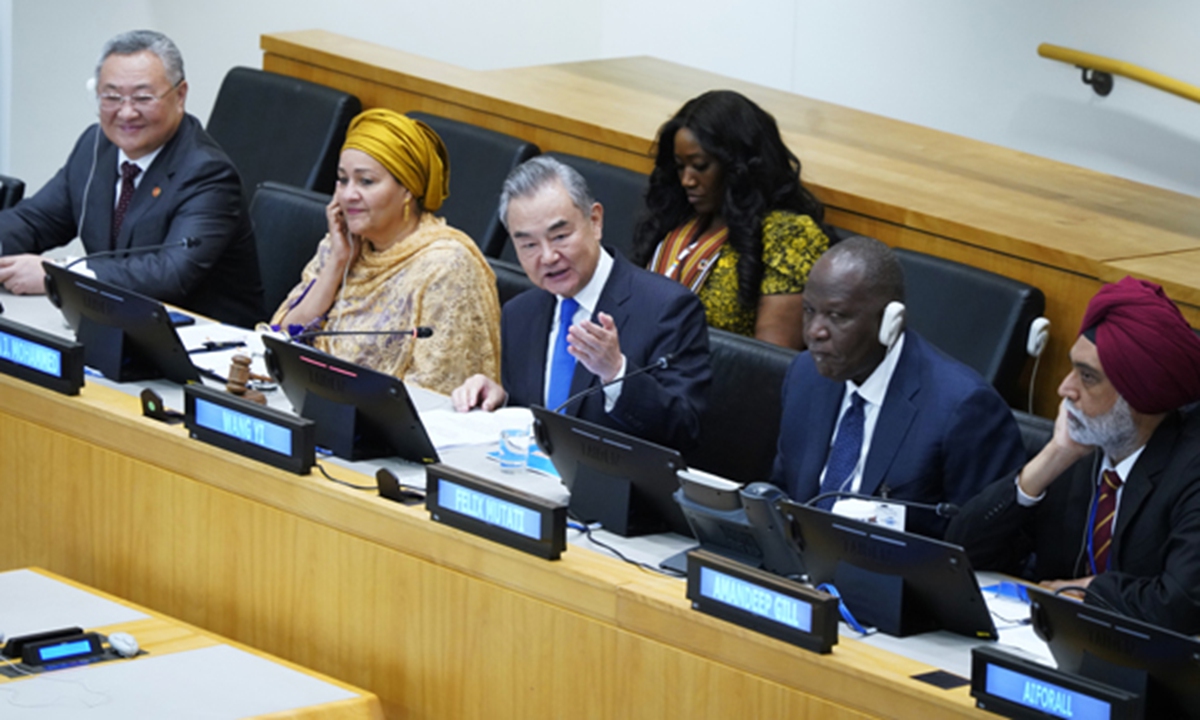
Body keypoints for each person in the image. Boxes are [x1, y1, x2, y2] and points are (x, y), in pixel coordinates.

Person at [948, 277, 1200, 633]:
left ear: (1139, 396)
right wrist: (1052, 458)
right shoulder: (1080, 448)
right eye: (1073, 369)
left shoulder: (1191, 470)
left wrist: (1092, 591)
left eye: (1088, 377)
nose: (1065, 388)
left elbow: (1182, 604)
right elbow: (961, 551)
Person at [0, 30, 263, 328]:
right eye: (111, 97)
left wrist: (58, 275)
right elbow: (35, 221)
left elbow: (169, 273)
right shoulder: (96, 145)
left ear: (180, 95)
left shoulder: (208, 173)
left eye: (142, 98)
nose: (126, 112)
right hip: (114, 326)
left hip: (202, 349)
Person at [770, 236, 1025, 538]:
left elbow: (983, 544)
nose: (814, 332)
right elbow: (784, 490)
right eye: (809, 310)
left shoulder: (963, 408)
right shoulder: (805, 375)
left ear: (891, 321)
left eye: (837, 316)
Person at [451, 156, 710, 451]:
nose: (548, 257)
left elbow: (685, 431)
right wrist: (499, 400)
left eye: (560, 236)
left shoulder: (667, 309)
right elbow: (533, 416)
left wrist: (616, 373)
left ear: (595, 221)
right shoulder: (519, 313)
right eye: (529, 245)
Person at [271, 109, 501, 397]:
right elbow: (282, 337)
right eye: (343, 180)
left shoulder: (446, 266)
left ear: (407, 189)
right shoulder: (341, 243)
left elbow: (435, 391)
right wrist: (336, 265)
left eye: (366, 181)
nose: (349, 195)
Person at [631, 90, 829, 349]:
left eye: (700, 165)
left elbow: (768, 364)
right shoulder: (678, 218)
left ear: (739, 167)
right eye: (680, 166)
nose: (687, 180)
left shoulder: (787, 235)